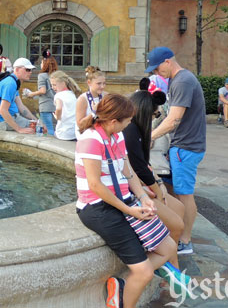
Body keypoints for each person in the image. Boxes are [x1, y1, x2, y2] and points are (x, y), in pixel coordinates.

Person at [75, 94, 179, 308]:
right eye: (128, 120)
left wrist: (142, 197)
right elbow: (95, 185)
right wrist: (129, 210)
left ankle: (122, 283)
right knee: (144, 272)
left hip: (125, 201)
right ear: (114, 121)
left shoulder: (117, 137)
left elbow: (128, 171)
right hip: (97, 208)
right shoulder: (91, 140)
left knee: (169, 247)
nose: (131, 123)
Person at [148, 46, 206, 256]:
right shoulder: (179, 80)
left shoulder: (182, 81)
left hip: (186, 147)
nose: (156, 73)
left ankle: (185, 241)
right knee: (175, 192)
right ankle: (176, 232)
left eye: (157, 69)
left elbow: (174, 120)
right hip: (182, 146)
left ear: (167, 62)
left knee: (185, 196)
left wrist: (149, 137)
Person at [125, 89, 187, 268]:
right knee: (176, 225)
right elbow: (137, 167)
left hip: (143, 184)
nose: (155, 118)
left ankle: (170, 258)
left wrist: (159, 184)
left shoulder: (135, 130)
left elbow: (144, 165)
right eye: (155, 114)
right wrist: (158, 192)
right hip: (135, 189)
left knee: (179, 208)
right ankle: (171, 265)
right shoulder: (130, 130)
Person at [0, 58, 38, 133]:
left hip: (11, 118)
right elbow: (2, 110)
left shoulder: (14, 81)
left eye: (31, 70)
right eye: (27, 70)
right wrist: (19, 129)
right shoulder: (10, 84)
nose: (30, 72)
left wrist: (36, 120)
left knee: (38, 125)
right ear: (16, 70)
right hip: (3, 122)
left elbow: (21, 107)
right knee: (38, 129)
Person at [23, 50, 58, 135]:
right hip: (54, 105)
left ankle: (50, 145)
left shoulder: (42, 75)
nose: (40, 64)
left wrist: (30, 94)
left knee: (48, 129)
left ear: (45, 64)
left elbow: (43, 91)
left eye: (42, 62)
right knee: (51, 127)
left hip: (45, 106)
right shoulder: (55, 75)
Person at [75, 66, 107, 136]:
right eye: (99, 83)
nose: (102, 86)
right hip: (86, 135)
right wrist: (94, 112)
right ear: (89, 82)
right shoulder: (82, 99)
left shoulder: (105, 96)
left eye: (104, 83)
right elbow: (80, 125)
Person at [50, 70, 82, 141]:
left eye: (54, 85)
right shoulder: (73, 94)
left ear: (63, 83)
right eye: (51, 85)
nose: (52, 87)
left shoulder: (59, 95)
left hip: (63, 134)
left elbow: (58, 108)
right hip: (74, 133)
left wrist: (57, 117)